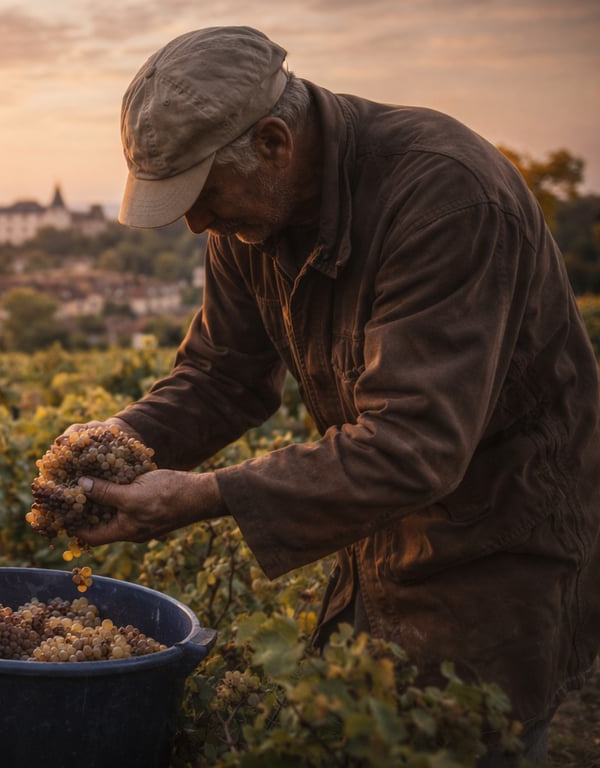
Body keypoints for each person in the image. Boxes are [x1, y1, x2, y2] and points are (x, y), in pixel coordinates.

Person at [60, 25, 600, 764]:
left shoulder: (447, 199)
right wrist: (110, 447)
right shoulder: (251, 218)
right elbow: (221, 375)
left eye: (201, 194)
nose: (194, 222)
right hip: (377, 531)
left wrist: (204, 494)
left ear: (275, 142)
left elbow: (413, 443)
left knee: (469, 741)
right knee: (359, 728)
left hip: (500, 541)